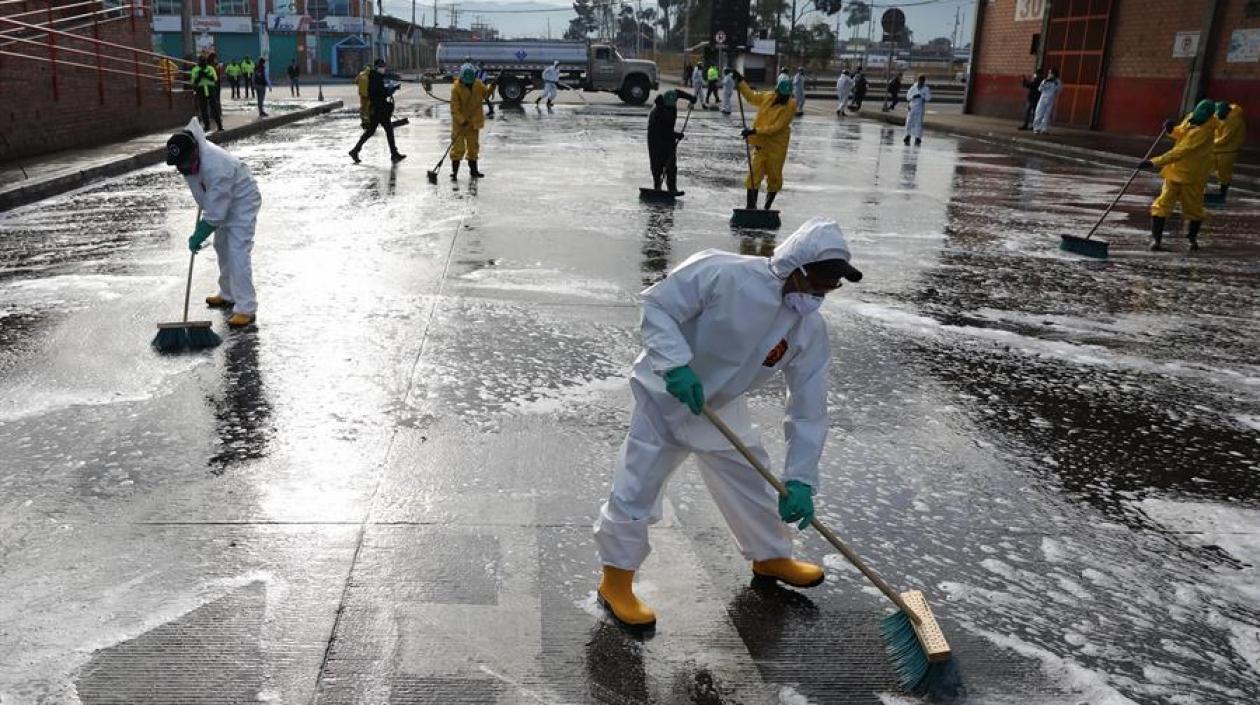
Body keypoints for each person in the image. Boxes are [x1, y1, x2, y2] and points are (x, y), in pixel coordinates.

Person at [592, 216, 864, 630]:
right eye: (823, 279)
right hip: (666, 396)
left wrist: (802, 479)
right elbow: (657, 305)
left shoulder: (808, 327)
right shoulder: (723, 273)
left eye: (835, 283)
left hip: (721, 405)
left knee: (750, 480)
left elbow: (809, 405)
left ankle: (770, 556)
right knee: (637, 486)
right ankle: (616, 580)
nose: (827, 290)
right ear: (797, 267)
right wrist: (675, 365)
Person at [165, 117, 261, 328]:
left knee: (237, 251)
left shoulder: (217, 166)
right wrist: (205, 221)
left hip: (241, 201)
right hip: (222, 199)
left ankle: (246, 307)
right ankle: (227, 293)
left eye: (183, 164)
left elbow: (216, 212)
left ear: (194, 153)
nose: (180, 169)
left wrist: (200, 232)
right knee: (221, 246)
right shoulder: (188, 161)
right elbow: (206, 197)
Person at [1138, 99, 1218, 251]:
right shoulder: (1191, 117)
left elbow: (1181, 151)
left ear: (1208, 116)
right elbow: (1181, 132)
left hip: (1193, 176)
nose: (1197, 115)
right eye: (1197, 111)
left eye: (1202, 113)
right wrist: (1171, 129)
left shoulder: (1205, 132)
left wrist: (1153, 162)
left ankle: (1192, 238)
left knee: (1193, 209)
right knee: (1161, 205)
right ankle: (1156, 240)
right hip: (1174, 172)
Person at [734, 70, 796, 211]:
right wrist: (741, 82)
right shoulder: (768, 96)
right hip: (761, 145)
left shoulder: (790, 106)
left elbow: (776, 128)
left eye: (786, 96)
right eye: (781, 95)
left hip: (776, 147)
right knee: (753, 175)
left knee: (774, 178)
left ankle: (767, 208)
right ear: (777, 91)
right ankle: (751, 208)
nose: (783, 98)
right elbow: (751, 97)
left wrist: (754, 131)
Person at [348, 58, 406, 164]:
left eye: (384, 66)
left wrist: (390, 88)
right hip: (379, 109)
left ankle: (355, 151)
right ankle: (394, 154)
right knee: (387, 130)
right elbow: (380, 93)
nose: (383, 68)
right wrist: (392, 89)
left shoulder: (375, 76)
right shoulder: (375, 78)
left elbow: (379, 91)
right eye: (381, 67)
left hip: (376, 109)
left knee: (371, 131)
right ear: (377, 67)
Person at [647, 89, 696, 195]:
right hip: (656, 140)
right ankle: (657, 186)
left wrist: (691, 98)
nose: (671, 108)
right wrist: (676, 135)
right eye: (668, 107)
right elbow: (662, 131)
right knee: (657, 164)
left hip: (669, 139)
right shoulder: (657, 112)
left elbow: (679, 93)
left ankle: (672, 188)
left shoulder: (672, 97)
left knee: (671, 165)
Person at [450, 65, 493, 179]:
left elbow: (486, 95)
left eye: (470, 82)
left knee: (473, 147)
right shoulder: (456, 89)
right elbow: (454, 108)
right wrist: (462, 120)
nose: (469, 84)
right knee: (458, 148)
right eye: (466, 82)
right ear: (462, 79)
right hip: (460, 124)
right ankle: (454, 173)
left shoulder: (478, 84)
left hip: (473, 123)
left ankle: (474, 171)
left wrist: (492, 87)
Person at [1211, 101, 1245, 202]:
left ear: (1226, 112)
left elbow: (1225, 138)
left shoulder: (1234, 120)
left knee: (1224, 173)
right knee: (1205, 169)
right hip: (1216, 149)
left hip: (1228, 151)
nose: (1218, 116)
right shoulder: (1220, 115)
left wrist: (1208, 143)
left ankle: (1222, 193)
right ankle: (1200, 191)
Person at [190, 55, 218, 132]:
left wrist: (207, 76)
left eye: (204, 60)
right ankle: (207, 126)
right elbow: (193, 81)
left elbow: (215, 79)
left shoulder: (210, 68)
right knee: (203, 109)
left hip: (210, 89)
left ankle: (219, 125)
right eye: (201, 61)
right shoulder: (195, 69)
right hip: (201, 90)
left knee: (214, 108)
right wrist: (199, 77)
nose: (203, 62)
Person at [903, 75, 930, 146]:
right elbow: (908, 96)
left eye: (922, 81)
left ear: (923, 81)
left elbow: (928, 98)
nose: (920, 82)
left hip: (920, 108)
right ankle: (907, 135)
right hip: (912, 107)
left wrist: (922, 97)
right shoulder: (913, 87)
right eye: (919, 80)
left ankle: (918, 137)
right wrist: (913, 96)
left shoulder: (926, 89)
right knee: (909, 122)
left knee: (919, 123)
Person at [1032, 67, 1061, 134]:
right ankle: (1036, 128)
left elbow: (1059, 90)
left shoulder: (1057, 81)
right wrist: (1045, 82)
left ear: (1054, 74)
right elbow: (1039, 89)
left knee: (1047, 115)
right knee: (1039, 113)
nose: (1049, 74)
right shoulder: (1045, 80)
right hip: (1043, 99)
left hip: (1050, 100)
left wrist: (1056, 85)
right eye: (1049, 73)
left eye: (1050, 73)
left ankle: (1044, 129)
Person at [207, 52, 225, 132]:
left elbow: (219, 73)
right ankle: (214, 115)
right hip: (212, 85)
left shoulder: (215, 64)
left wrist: (219, 67)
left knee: (217, 100)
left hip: (216, 84)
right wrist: (218, 68)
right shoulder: (210, 66)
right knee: (214, 101)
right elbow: (215, 75)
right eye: (215, 57)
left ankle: (217, 114)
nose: (216, 59)